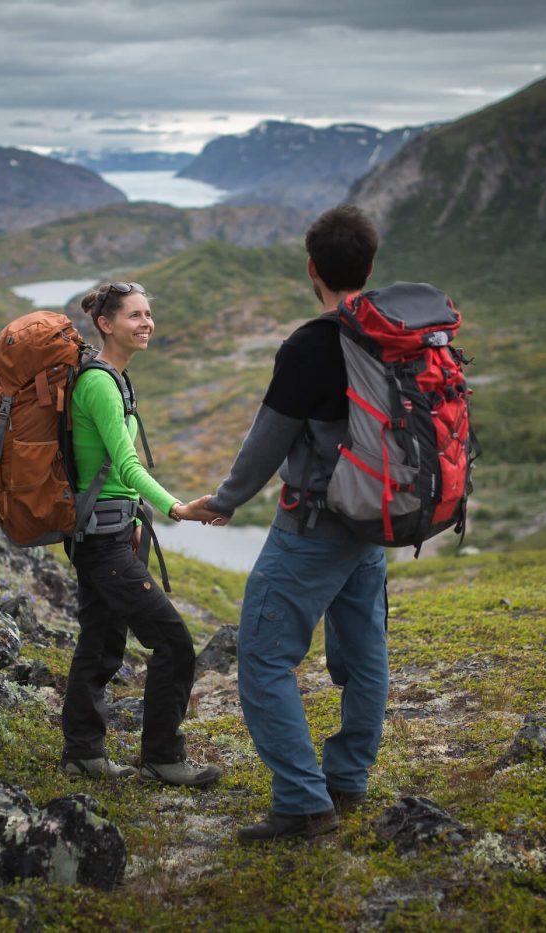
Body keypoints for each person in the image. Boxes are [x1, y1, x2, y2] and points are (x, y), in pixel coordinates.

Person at [204, 205, 387, 841]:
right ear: (371, 265)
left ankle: (305, 804)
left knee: (261, 657)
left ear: (313, 269)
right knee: (364, 656)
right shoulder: (397, 334)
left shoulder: (313, 344)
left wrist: (224, 500)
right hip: (375, 518)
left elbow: (268, 442)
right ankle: (347, 780)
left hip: (315, 526)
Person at [60, 281, 223, 787]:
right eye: (134, 315)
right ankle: (162, 756)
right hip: (101, 541)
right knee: (173, 642)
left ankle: (83, 753)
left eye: (149, 313)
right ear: (105, 324)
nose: (146, 323)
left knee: (102, 642)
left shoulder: (113, 378)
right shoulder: (100, 384)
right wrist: (175, 506)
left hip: (107, 534)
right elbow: (126, 464)